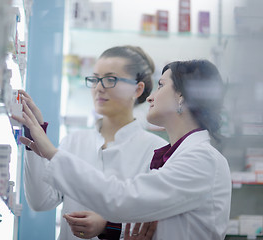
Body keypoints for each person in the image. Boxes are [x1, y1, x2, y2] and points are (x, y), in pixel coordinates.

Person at [13, 59, 232, 240]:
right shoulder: (173, 156)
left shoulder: (201, 160)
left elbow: (121, 198)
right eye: (96, 79)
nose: (150, 97)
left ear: (182, 96)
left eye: (161, 85)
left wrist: (51, 151)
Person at [16, 45, 168, 240]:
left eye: (110, 79)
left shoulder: (155, 150)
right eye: (95, 79)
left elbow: (152, 225)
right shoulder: (74, 141)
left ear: (137, 89)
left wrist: (107, 226)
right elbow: (40, 202)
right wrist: (32, 135)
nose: (98, 87)